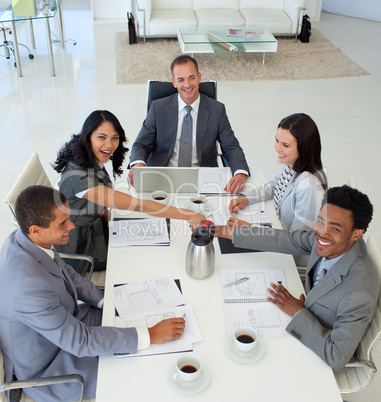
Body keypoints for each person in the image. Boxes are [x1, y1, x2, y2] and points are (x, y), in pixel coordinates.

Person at [0, 186, 185, 402]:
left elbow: (66, 271)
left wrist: (102, 300)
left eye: (68, 218)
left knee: (133, 313)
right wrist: (150, 335)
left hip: (68, 323)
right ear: (36, 230)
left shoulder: (26, 239)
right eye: (62, 224)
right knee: (146, 365)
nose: (71, 225)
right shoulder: (27, 287)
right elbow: (81, 342)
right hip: (52, 365)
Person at [216, 185, 379, 369]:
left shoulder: (359, 293)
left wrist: (298, 312)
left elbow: (337, 356)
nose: (322, 233)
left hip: (317, 354)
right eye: (320, 221)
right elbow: (288, 240)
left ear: (357, 234)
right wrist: (222, 231)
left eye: (335, 229)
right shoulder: (333, 242)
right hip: (305, 321)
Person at [53, 110, 204, 275]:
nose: (109, 145)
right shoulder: (81, 179)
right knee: (149, 257)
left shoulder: (85, 156)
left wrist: (115, 223)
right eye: (101, 137)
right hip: (82, 249)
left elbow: (103, 204)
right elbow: (137, 205)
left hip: (95, 228)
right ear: (88, 136)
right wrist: (189, 215)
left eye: (114, 138)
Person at [128, 55, 250, 194]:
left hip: (202, 178)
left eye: (191, 77)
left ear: (199, 77)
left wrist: (240, 172)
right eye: (181, 79)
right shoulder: (158, 108)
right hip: (163, 176)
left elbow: (231, 147)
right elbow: (141, 145)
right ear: (174, 82)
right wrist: (139, 165)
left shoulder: (217, 110)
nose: (187, 84)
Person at [228, 113, 327, 265]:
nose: (277, 148)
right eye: (277, 141)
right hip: (280, 236)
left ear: (304, 147)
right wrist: (247, 197)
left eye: (285, 145)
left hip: (293, 260)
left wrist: (251, 230)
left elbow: (296, 242)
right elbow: (275, 185)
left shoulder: (308, 187)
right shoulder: (294, 164)